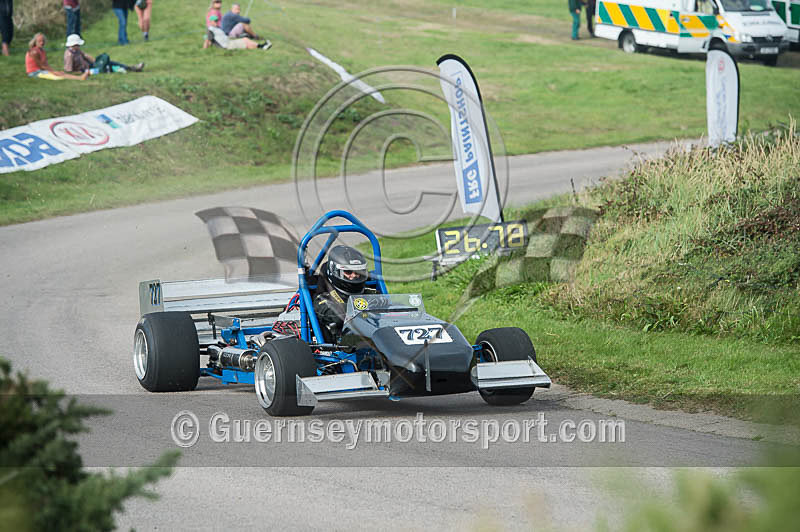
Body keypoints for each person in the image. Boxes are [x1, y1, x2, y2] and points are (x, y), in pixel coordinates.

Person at [313, 245, 373, 342]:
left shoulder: (370, 292)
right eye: (348, 272)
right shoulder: (323, 299)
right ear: (335, 271)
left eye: (358, 271)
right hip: (344, 348)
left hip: (376, 341)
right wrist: (371, 309)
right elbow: (337, 316)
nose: (354, 276)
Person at [63, 33, 144, 74]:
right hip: (85, 70)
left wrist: (96, 62)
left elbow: (86, 56)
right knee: (107, 67)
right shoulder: (69, 55)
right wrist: (83, 72)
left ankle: (130, 67)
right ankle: (130, 69)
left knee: (107, 62)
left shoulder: (77, 51)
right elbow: (69, 70)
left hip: (89, 66)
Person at [206, 22, 271, 50]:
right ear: (210, 22)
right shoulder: (211, 30)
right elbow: (208, 40)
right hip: (226, 46)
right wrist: (205, 49)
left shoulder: (217, 28)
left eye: (217, 20)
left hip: (229, 42)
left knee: (245, 40)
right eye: (214, 21)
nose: (216, 22)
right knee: (245, 40)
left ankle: (262, 46)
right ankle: (262, 46)